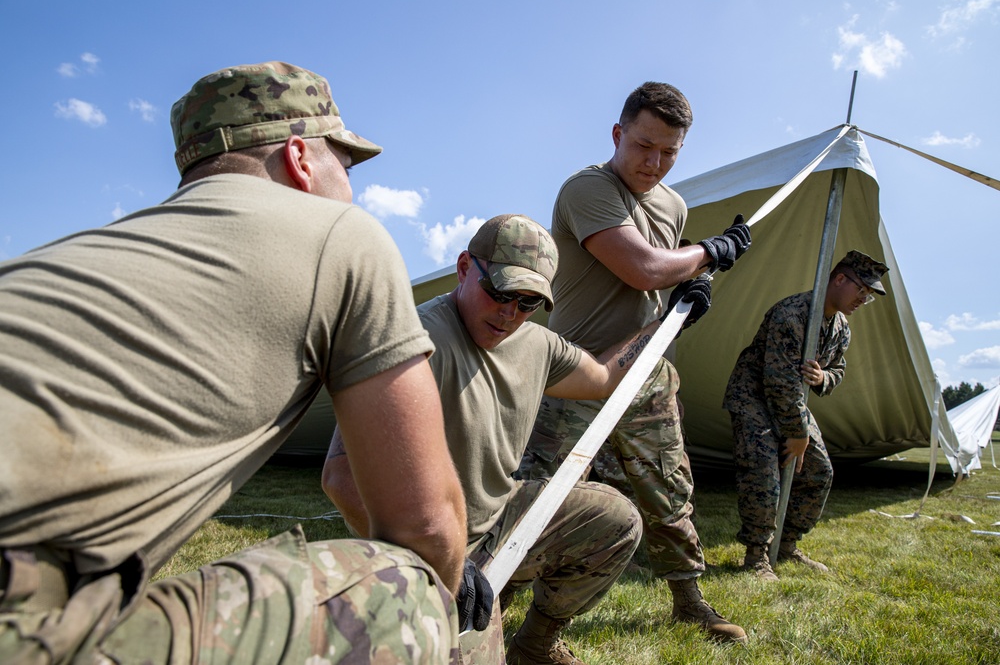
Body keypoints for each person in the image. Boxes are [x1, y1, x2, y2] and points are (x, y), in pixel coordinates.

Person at [0, 61, 470, 664]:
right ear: (301, 159)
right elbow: (425, 529)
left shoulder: (85, 256)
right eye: (344, 165)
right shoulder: (343, 235)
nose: (352, 188)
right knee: (408, 590)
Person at [324, 214, 706, 665]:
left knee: (616, 520)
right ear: (465, 267)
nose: (510, 313)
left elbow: (603, 377)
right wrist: (437, 558)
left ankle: (535, 644)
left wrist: (667, 325)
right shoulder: (416, 341)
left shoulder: (537, 344)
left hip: (497, 523)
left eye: (528, 302)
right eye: (500, 293)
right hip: (411, 547)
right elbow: (342, 478)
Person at [517, 81, 753, 643]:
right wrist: (710, 252)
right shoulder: (586, 189)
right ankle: (490, 595)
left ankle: (688, 601)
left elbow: (661, 275)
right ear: (618, 134)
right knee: (539, 495)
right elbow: (644, 269)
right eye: (644, 145)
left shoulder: (673, 204)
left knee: (668, 491)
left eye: (669, 151)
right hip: (575, 374)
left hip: (647, 373)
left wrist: (689, 282)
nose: (654, 162)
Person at [724, 250, 889, 581]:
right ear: (839, 279)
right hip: (755, 396)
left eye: (868, 296)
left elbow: (837, 369)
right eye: (862, 290)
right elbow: (778, 382)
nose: (863, 299)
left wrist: (823, 378)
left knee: (818, 472)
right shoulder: (792, 315)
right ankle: (757, 555)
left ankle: (785, 546)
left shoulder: (840, 327)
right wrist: (797, 435)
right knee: (763, 469)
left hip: (792, 402)